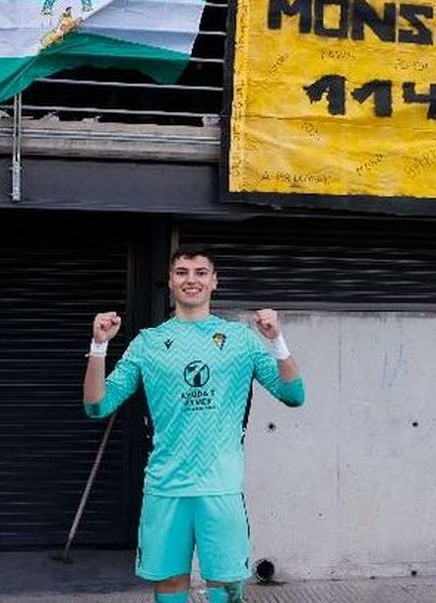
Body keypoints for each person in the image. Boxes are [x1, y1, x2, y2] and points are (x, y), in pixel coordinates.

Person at [84, 247, 305, 603]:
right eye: (182, 272)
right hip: (165, 488)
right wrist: (98, 347)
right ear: (170, 282)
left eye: (201, 272)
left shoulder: (242, 340)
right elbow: (96, 406)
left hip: (220, 488)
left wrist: (276, 340)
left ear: (214, 281)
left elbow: (294, 394)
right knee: (170, 586)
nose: (192, 279)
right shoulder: (148, 343)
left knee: (225, 588)